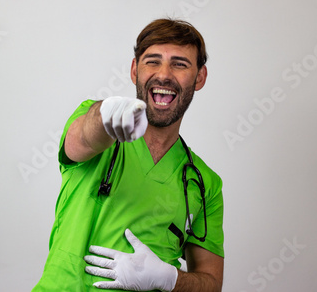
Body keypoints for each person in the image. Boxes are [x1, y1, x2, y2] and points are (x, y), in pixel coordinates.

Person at [33, 18, 224, 291]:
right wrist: (104, 115)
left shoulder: (204, 184)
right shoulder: (101, 129)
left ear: (200, 77)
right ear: (135, 70)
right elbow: (83, 138)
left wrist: (171, 279)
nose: (164, 74)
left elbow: (211, 284)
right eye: (152, 61)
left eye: (180, 64)